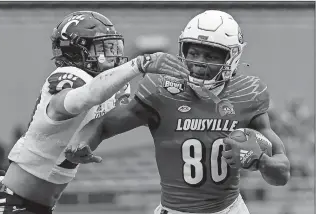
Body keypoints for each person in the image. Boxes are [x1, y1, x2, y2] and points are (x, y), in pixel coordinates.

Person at [65, 10, 290, 214]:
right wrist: (81, 143)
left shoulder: (248, 93)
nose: (199, 63)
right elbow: (104, 125)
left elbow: (282, 173)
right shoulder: (161, 90)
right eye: (194, 53)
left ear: (231, 58)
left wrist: (262, 162)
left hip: (229, 209)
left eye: (210, 56)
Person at [0, 11, 189, 214]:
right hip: (14, 200)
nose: (113, 55)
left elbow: (127, 114)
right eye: (103, 48)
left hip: (37, 205)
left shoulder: (107, 86)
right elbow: (85, 97)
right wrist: (140, 64)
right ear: (76, 51)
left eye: (113, 47)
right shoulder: (68, 78)